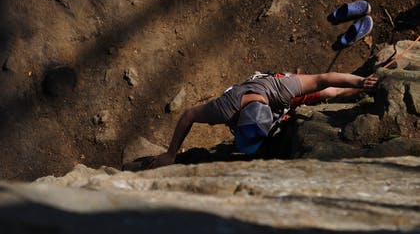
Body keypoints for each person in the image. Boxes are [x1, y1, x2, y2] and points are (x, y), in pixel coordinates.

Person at [149, 72, 378, 168]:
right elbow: (188, 115)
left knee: (332, 93)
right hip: (261, 100)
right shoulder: (225, 109)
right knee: (330, 92)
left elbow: (323, 79)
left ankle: (368, 87)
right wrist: (171, 154)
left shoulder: (283, 89)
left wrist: (359, 82)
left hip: (281, 98)